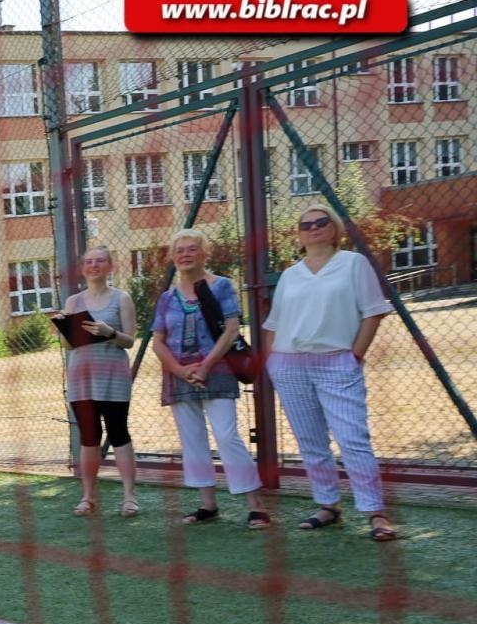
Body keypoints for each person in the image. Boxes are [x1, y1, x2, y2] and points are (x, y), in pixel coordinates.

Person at [265, 205, 399, 541]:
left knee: (353, 438)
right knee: (310, 441)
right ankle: (327, 504)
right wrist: (271, 361)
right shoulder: (290, 275)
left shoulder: (353, 264)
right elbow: (274, 323)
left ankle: (375, 512)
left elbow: (373, 313)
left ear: (334, 228)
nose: (312, 228)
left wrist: (355, 354)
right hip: (289, 363)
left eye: (321, 222)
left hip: (337, 361)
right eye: (305, 223)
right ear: (298, 233)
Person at [150, 228, 272, 529]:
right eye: (179, 250)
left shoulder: (221, 287)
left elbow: (231, 329)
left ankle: (255, 505)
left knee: (227, 436)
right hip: (180, 375)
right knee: (192, 440)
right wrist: (179, 370)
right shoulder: (167, 297)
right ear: (172, 257)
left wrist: (205, 366)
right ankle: (207, 504)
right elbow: (158, 340)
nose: (185, 254)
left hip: (216, 371)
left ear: (205, 254)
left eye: (192, 249)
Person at [55, 246, 141, 518]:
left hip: (114, 377)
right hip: (82, 378)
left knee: (119, 433)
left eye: (100, 261)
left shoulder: (121, 298)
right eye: (89, 262)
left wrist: (110, 332)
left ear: (110, 266)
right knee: (89, 438)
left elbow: (129, 340)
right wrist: (61, 328)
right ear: (82, 269)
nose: (94, 265)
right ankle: (88, 497)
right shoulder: (73, 302)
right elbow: (68, 346)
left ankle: (130, 498)